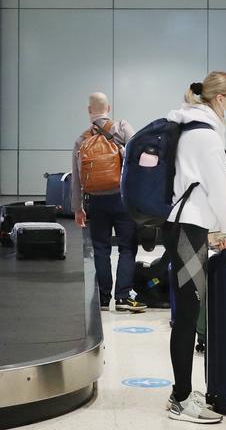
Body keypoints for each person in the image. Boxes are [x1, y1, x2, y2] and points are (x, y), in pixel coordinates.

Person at [164, 72, 226, 424]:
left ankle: (182, 391)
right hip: (190, 228)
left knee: (187, 310)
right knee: (187, 312)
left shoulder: (191, 127)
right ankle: (181, 398)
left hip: (183, 224)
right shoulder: (207, 136)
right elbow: (218, 192)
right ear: (220, 99)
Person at [69, 92, 144, 313]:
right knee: (127, 248)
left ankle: (103, 298)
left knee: (100, 248)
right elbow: (139, 155)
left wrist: (77, 208)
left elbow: (76, 178)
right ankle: (122, 297)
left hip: (96, 201)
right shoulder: (121, 128)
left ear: (89, 110)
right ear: (108, 108)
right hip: (123, 199)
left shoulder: (81, 140)